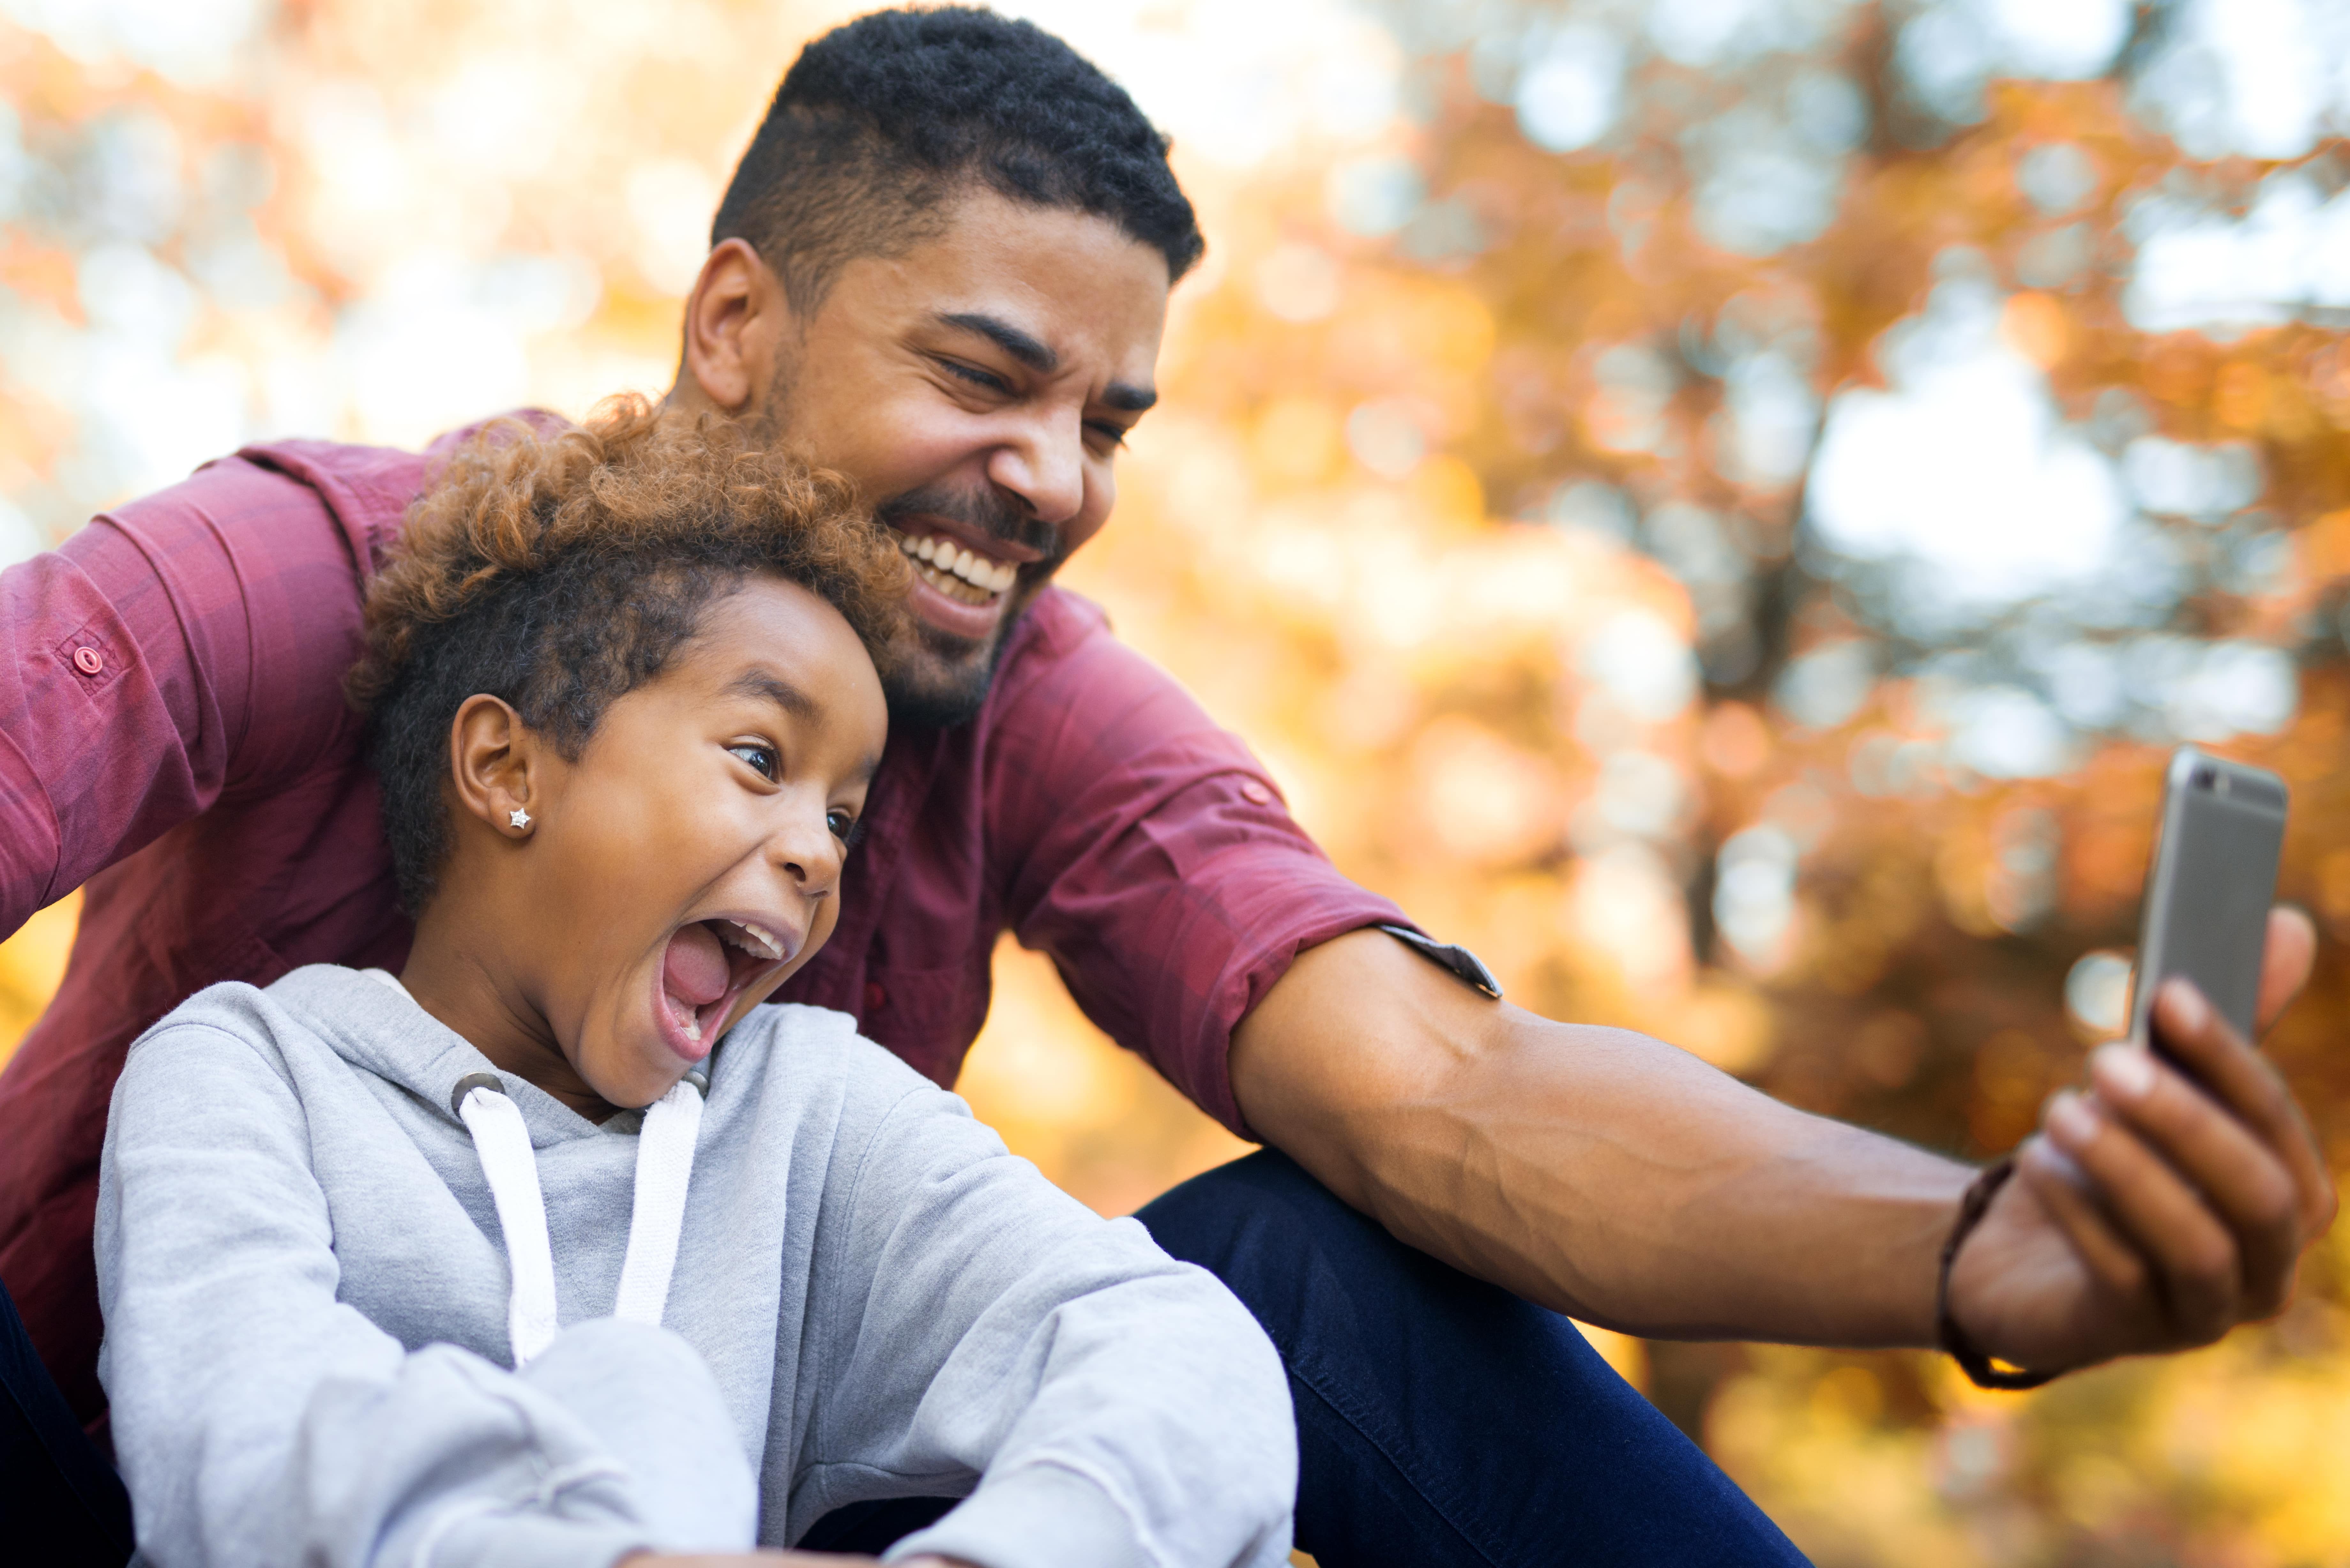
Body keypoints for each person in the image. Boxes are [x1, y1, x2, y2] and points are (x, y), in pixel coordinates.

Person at [0, 7, 2333, 1565]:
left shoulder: (1014, 719)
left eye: (1110, 423)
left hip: (755, 1511)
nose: (1055, 482)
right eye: (990, 376)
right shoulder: (331, 584)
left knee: (1323, 1267)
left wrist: (1970, 1248)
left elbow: (1439, 1092)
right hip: (133, 1479)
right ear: (738, 329)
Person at [97, 403, 1296, 1568]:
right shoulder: (241, 1071)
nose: (821, 852)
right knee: (635, 1385)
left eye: (843, 815)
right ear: (507, 766)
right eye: (760, 758)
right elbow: (234, 1433)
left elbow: (1177, 1355)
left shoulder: (806, 1119)